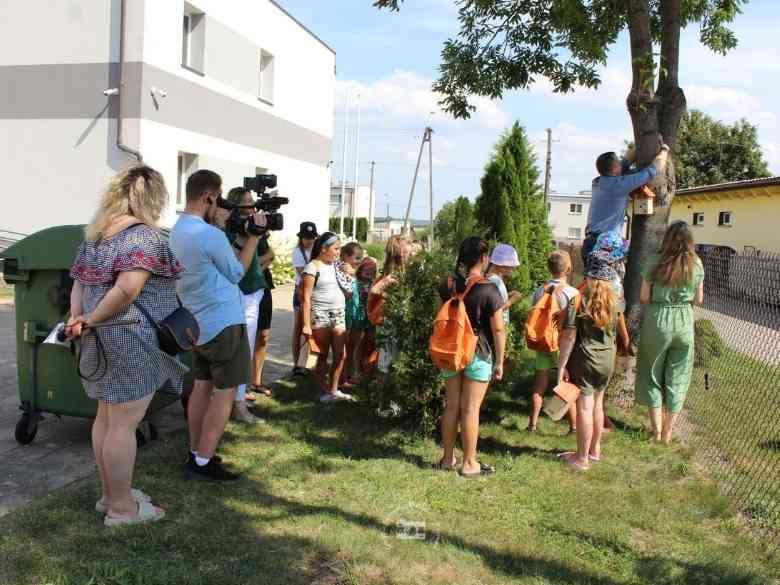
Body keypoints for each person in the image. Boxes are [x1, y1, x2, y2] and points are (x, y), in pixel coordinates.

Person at [66, 165, 187, 525]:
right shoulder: (145, 238)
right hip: (130, 338)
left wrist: (80, 319)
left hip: (99, 336)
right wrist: (92, 320)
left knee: (106, 419)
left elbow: (79, 286)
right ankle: (122, 510)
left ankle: (110, 496)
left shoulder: (97, 236)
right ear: (153, 198)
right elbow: (126, 290)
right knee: (122, 424)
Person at [170, 169, 267, 481]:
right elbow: (237, 271)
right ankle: (203, 462)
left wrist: (225, 228)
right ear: (208, 196)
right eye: (218, 198)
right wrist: (254, 236)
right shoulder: (209, 235)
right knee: (224, 393)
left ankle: (195, 449)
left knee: (201, 388)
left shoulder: (178, 230)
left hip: (196, 323)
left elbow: (211, 263)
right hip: (223, 323)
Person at [437, 236, 506, 478]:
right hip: (478, 352)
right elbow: (498, 329)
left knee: (451, 406)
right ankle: (469, 464)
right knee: (470, 409)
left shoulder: (449, 284)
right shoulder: (489, 289)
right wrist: (500, 361)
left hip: (452, 351)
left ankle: (447, 459)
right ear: (484, 258)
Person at [635, 221, 704, 444]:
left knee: (651, 372)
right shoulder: (697, 263)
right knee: (679, 376)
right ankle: (668, 433)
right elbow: (699, 299)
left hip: (658, 320)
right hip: (684, 321)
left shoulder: (655, 261)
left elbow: (644, 297)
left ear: (667, 239)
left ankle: (655, 431)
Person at [557, 251, 621, 471]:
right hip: (607, 360)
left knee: (585, 406)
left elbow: (569, 336)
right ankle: (594, 450)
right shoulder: (615, 300)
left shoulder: (579, 299)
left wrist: (562, 365)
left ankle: (581, 458)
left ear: (589, 274)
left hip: (586, 359)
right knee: (598, 404)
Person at [223, 187, 268, 424]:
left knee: (246, 349)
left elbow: (266, 253)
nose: (252, 208)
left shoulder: (252, 226)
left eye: (253, 203)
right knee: (237, 351)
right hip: (236, 292)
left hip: (252, 291)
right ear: (235, 206)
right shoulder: (227, 230)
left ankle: (238, 401)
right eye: (247, 203)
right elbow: (233, 263)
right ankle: (234, 405)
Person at [582, 143, 670, 261]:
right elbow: (652, 170)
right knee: (607, 279)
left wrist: (638, 145)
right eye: (618, 162)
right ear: (614, 169)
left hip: (590, 241)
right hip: (605, 245)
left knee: (593, 279)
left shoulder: (598, 182)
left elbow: (625, 162)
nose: (621, 163)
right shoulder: (619, 185)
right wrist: (664, 149)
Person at [527, 250, 580, 434]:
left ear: (549, 268)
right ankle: (573, 427)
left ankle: (532, 425)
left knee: (539, 386)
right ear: (569, 268)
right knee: (565, 384)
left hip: (543, 343)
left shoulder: (540, 290)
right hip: (563, 344)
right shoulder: (573, 293)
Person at [300, 232, 352, 402]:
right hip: (320, 317)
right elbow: (305, 299)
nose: (338, 252)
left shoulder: (338, 266)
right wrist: (306, 325)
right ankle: (322, 391)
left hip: (339, 314)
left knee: (340, 355)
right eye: (336, 249)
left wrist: (350, 274)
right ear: (323, 249)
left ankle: (334, 389)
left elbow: (349, 290)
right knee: (321, 356)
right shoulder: (312, 267)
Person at [367, 235, 411, 373]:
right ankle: (381, 391)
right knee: (387, 358)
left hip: (401, 320)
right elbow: (374, 290)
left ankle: (389, 388)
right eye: (407, 252)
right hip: (390, 321)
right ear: (400, 254)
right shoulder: (392, 275)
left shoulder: (405, 272)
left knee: (396, 358)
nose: (409, 254)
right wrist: (389, 295)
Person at [343, 256, 377, 386]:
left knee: (369, 345)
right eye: (367, 269)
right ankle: (354, 372)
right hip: (358, 319)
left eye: (372, 270)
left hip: (370, 319)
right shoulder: (354, 283)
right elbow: (352, 303)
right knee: (355, 346)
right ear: (361, 268)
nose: (369, 273)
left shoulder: (374, 283)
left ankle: (365, 371)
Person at [290, 221, 318, 376]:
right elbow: (304, 274)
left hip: (313, 292)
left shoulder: (317, 250)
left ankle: (305, 362)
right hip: (301, 292)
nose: (309, 240)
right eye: (306, 237)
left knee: (310, 329)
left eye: (312, 237)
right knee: (298, 327)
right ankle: (296, 363)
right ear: (300, 238)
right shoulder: (297, 252)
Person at [485, 243, 523, 324]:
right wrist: (512, 300)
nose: (512, 267)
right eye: (509, 264)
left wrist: (507, 295)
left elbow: (494, 301)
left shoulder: (495, 279)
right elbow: (495, 310)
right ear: (498, 263)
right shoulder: (494, 281)